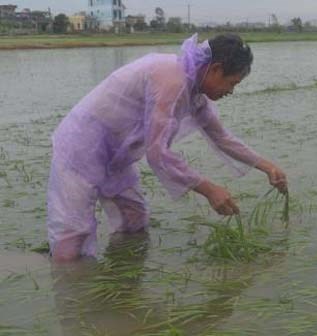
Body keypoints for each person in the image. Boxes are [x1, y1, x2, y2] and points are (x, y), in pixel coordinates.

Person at [47, 33, 288, 262]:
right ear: (216, 69)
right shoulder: (172, 79)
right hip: (81, 147)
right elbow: (157, 153)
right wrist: (209, 190)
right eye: (231, 83)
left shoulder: (195, 91)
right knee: (73, 236)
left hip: (116, 155)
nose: (231, 91)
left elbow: (222, 138)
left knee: (134, 218)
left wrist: (268, 167)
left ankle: (122, 283)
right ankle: (70, 287)